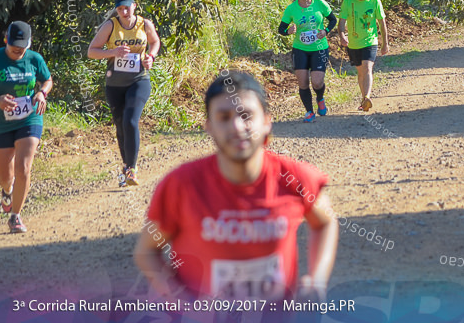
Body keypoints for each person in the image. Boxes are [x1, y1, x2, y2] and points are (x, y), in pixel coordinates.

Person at [135, 71, 338, 300]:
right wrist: (178, 296)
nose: (237, 127)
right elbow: (147, 250)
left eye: (246, 115)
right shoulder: (181, 185)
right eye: (223, 117)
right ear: (208, 126)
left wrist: (318, 279)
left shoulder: (294, 178)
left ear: (267, 122)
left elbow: (325, 222)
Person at [0, 22, 51, 233]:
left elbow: (47, 80)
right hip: (0, 123)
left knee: (23, 168)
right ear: (6, 41)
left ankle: (16, 216)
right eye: (14, 48)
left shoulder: (35, 59)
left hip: (29, 119)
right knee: (4, 176)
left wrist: (42, 93)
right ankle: (7, 190)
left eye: (22, 48)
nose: (18, 51)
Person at [87, 0, 161, 187]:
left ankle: (132, 169)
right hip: (115, 84)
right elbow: (91, 52)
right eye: (120, 8)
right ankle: (127, 166)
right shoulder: (110, 26)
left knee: (130, 120)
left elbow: (155, 42)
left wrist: (151, 57)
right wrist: (113, 52)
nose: (124, 11)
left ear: (134, 6)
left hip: (139, 80)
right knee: (120, 125)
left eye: (127, 7)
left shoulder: (145, 24)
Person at [279, 0, 337, 122]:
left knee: (317, 82)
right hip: (300, 49)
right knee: (303, 82)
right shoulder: (292, 8)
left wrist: (326, 31)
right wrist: (289, 31)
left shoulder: (320, 4)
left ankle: (320, 98)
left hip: (319, 48)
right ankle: (309, 111)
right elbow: (281, 29)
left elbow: (333, 20)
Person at [338, 0, 389, 112]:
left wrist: (385, 43)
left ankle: (367, 96)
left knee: (367, 68)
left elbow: (382, 23)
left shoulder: (374, 1)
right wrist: (342, 35)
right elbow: (342, 21)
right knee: (361, 72)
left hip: (370, 41)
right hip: (354, 44)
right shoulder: (348, 1)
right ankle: (364, 99)